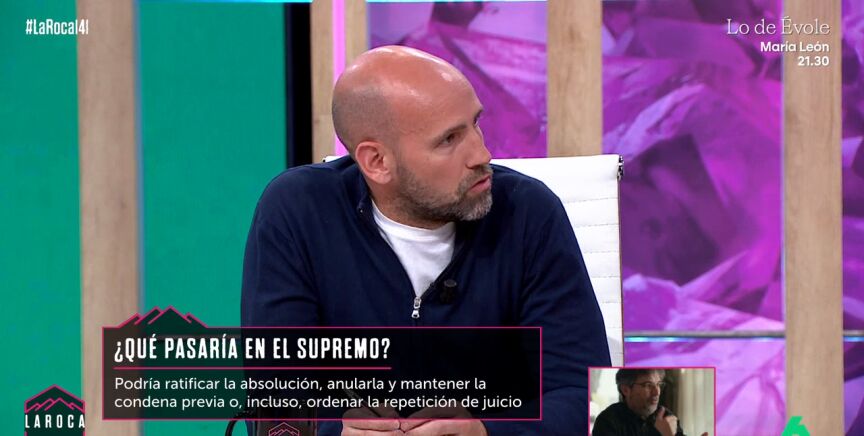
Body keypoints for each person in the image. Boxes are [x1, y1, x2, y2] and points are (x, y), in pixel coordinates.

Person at [241, 45, 610, 435]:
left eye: (475, 123)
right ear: (377, 162)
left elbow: (583, 399)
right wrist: (337, 432)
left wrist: (486, 432)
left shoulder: (529, 213)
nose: (482, 153)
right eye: (449, 139)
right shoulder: (297, 212)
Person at [592, 369, 707, 436]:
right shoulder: (607, 421)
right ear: (626, 390)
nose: (657, 392)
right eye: (648, 385)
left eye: (658, 384)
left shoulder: (666, 415)